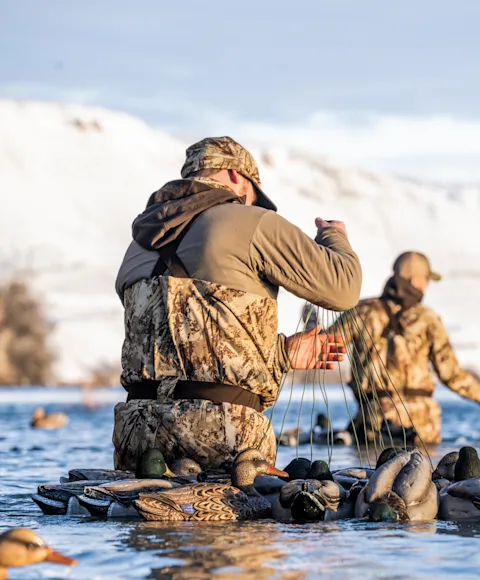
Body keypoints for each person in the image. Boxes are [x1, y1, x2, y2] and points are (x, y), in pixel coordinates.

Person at [113, 136, 362, 470]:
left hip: (136, 433)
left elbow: (178, 350)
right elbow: (343, 289)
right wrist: (334, 236)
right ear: (235, 175)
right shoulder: (253, 221)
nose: (252, 203)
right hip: (223, 432)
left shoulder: (137, 246)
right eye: (253, 194)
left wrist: (283, 354)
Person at [329, 251, 480, 446]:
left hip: (373, 422)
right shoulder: (428, 319)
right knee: (425, 466)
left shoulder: (361, 313)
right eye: (426, 279)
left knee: (372, 465)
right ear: (414, 280)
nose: (427, 285)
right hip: (422, 428)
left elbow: (324, 348)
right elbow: (450, 374)